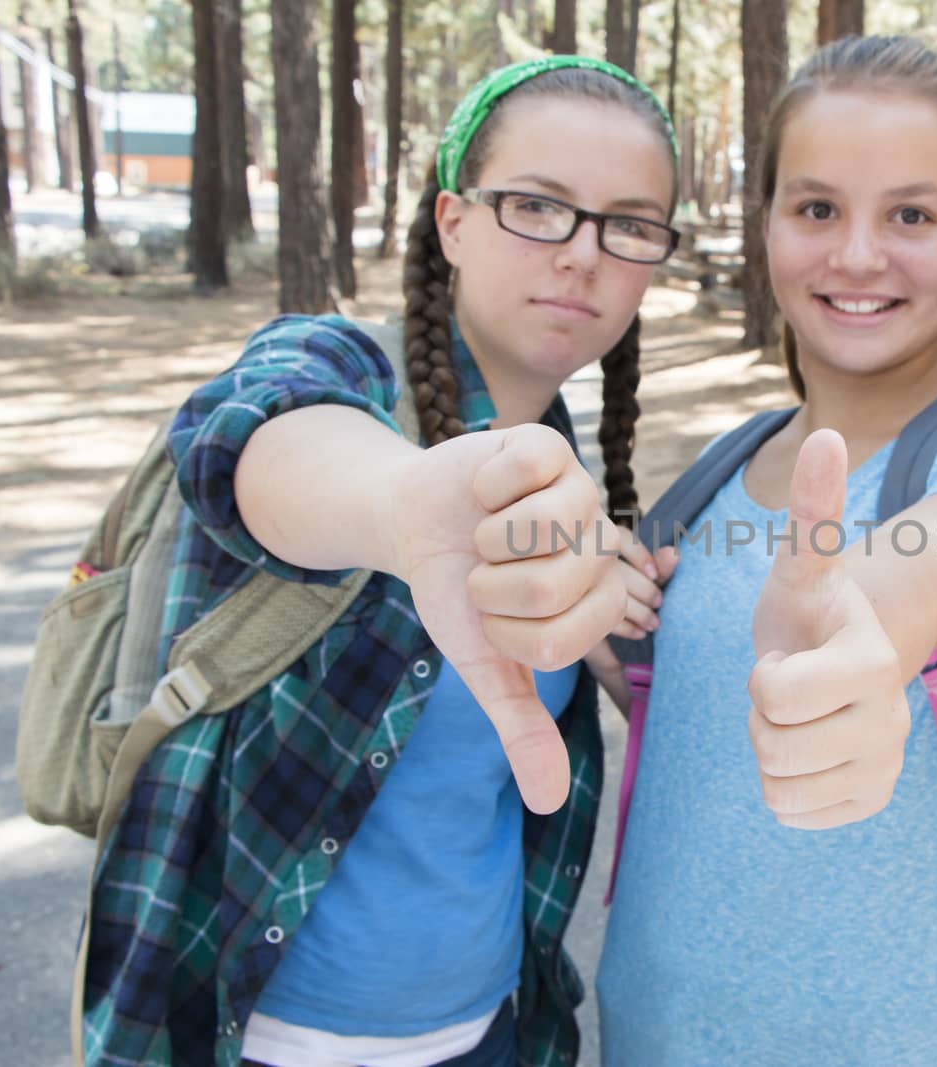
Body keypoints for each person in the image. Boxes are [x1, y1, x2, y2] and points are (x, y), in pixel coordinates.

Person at [79, 57, 679, 1067]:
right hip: (250, 1030)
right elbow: (249, 433)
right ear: (452, 221)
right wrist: (403, 506)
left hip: (489, 1027)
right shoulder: (342, 368)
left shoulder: (563, 468)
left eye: (628, 223)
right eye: (537, 205)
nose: (582, 254)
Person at [592, 35, 937, 1066]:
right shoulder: (714, 477)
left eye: (910, 214)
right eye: (817, 209)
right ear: (765, 222)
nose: (857, 255)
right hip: (650, 1029)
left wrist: (883, 603)